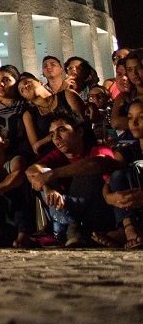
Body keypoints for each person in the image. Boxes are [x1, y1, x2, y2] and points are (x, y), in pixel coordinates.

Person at [26, 110, 118, 246]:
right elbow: (31, 171)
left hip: (97, 216)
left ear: (80, 132)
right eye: (52, 135)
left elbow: (97, 163)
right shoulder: (56, 155)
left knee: (85, 173)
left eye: (62, 130)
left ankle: (62, 230)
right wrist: (48, 187)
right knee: (42, 174)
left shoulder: (97, 150)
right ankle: (71, 228)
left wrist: (51, 174)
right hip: (69, 218)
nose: (56, 138)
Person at [98, 99, 143, 249]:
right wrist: (110, 197)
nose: (134, 123)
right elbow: (110, 180)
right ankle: (129, 229)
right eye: (130, 118)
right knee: (118, 175)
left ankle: (127, 233)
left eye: (141, 117)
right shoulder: (129, 149)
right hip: (133, 208)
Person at [20, 72, 86, 156]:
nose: (25, 87)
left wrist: (45, 140)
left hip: (82, 146)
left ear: (41, 83)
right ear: (26, 99)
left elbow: (80, 122)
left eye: (26, 83)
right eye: (22, 90)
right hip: (54, 154)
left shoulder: (67, 95)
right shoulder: (29, 115)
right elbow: (36, 147)